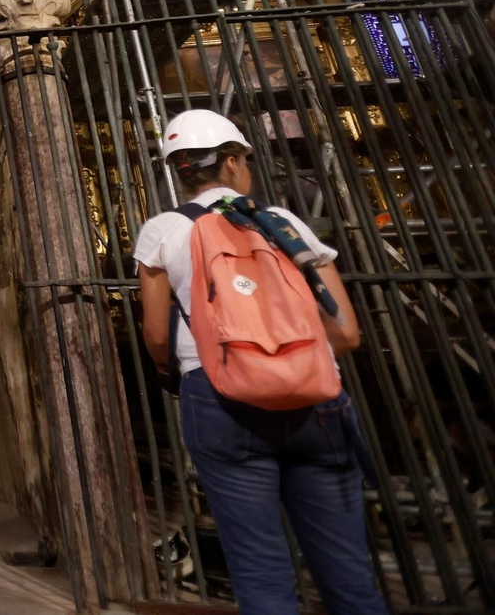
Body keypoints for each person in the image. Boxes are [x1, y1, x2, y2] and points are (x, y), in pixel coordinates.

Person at [135, 109, 387, 615]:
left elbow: (157, 335)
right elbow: (345, 332)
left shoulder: (162, 230)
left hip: (221, 399)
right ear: (231, 163)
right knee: (348, 570)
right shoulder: (285, 223)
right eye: (244, 159)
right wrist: (289, 366)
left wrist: (186, 375)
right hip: (316, 398)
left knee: (260, 570)